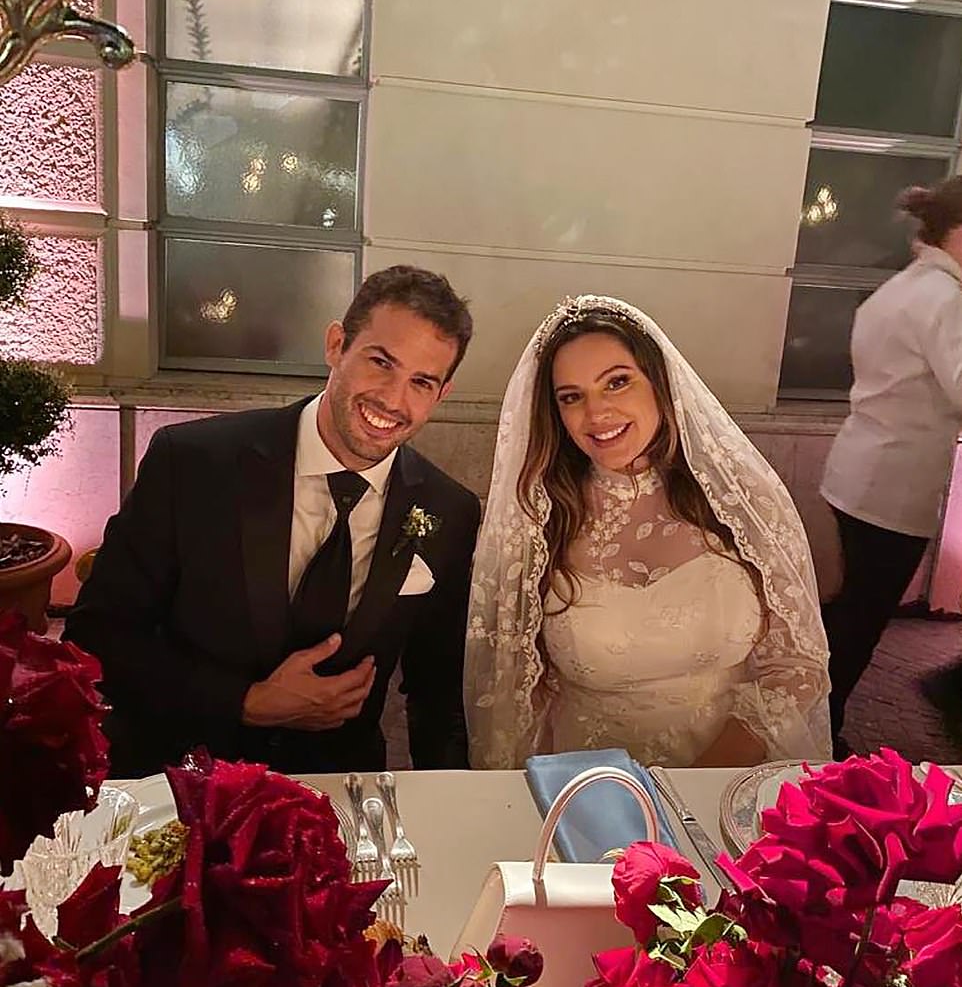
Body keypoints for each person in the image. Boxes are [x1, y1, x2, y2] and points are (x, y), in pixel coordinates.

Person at [66, 266, 481, 777]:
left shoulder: (450, 511)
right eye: (380, 362)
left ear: (442, 393)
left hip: (337, 790)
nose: (394, 400)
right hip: (183, 775)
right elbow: (95, 636)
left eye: (421, 381)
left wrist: (447, 807)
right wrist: (245, 700)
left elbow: (437, 692)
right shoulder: (194, 463)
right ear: (336, 345)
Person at [465, 294, 831, 769]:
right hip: (595, 785)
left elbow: (798, 662)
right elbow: (513, 692)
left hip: (734, 773)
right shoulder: (540, 519)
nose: (596, 413)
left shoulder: (740, 500)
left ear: (660, 384)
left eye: (617, 383)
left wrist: (703, 783)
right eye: (571, 397)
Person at [821, 178, 962, 751]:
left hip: (856, 472)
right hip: (893, 487)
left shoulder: (897, 291)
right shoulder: (946, 301)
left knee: (846, 612)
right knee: (859, 622)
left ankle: (815, 723)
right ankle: (819, 735)